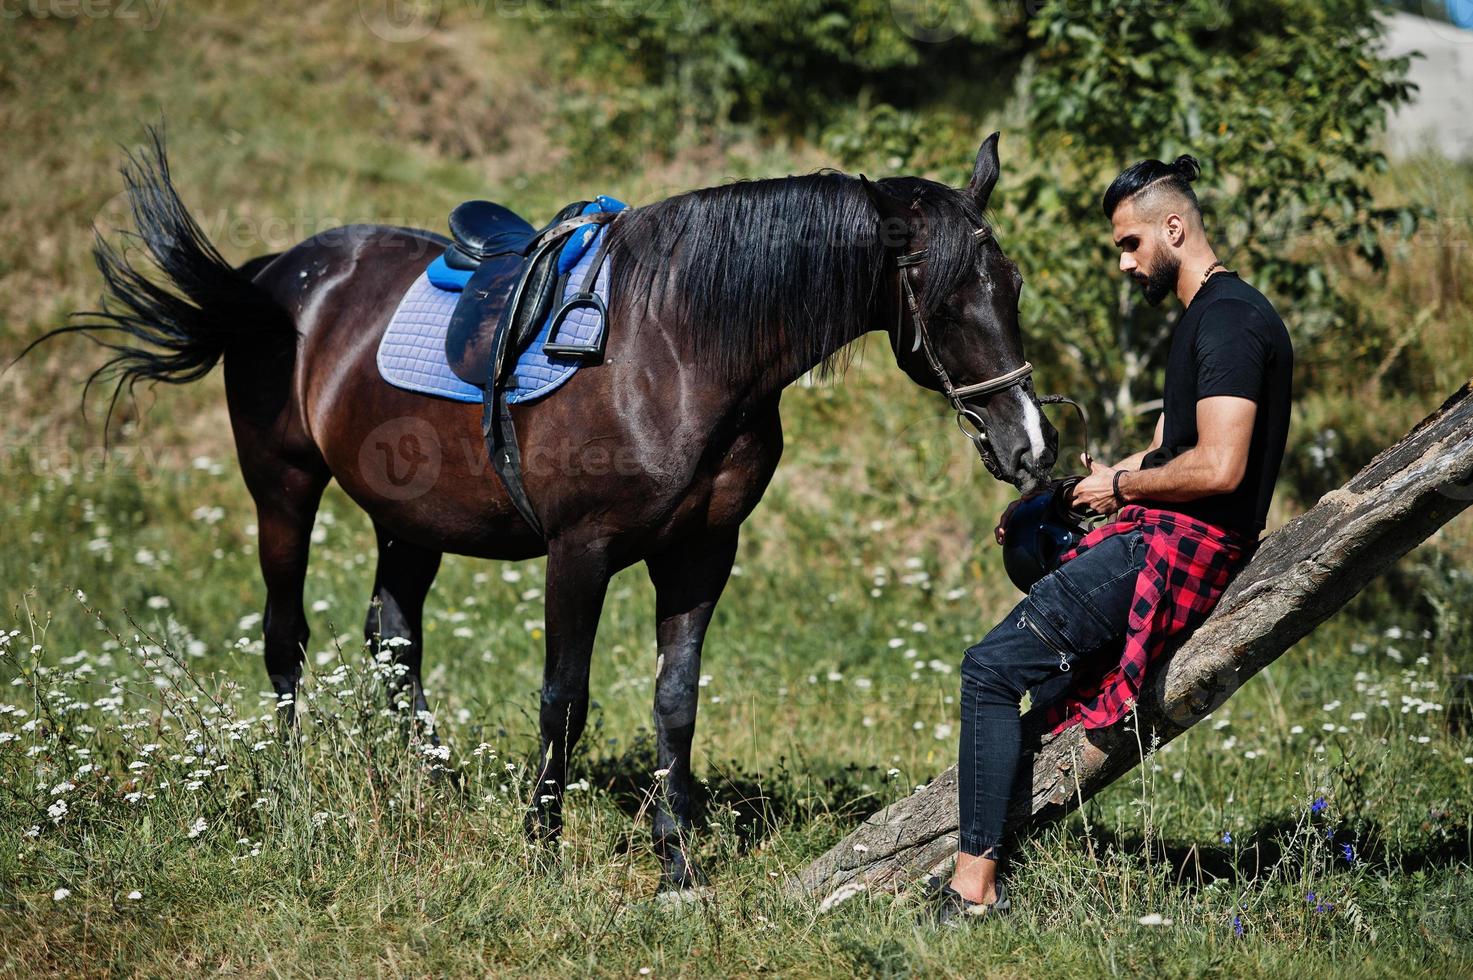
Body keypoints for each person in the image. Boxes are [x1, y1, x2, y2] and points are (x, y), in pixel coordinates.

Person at [932, 155, 1294, 922]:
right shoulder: (1203, 317)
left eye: (1130, 244)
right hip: (1160, 532)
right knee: (1033, 583)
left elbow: (1220, 467)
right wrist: (1064, 496)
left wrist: (1121, 489)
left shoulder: (1231, 320)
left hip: (1177, 547)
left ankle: (972, 887)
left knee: (990, 670)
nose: (1125, 263)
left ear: (1174, 226)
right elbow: (1168, 452)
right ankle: (1000, 843)